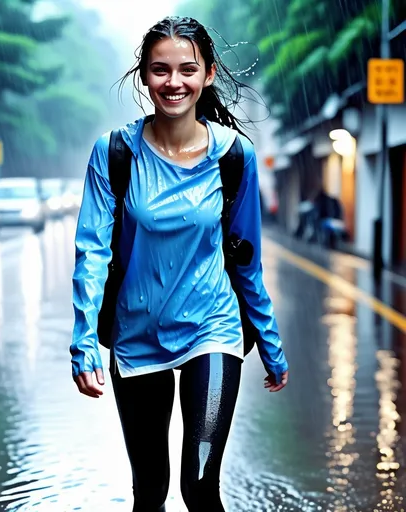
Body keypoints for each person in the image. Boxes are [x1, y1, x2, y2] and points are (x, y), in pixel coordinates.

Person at [70, 16, 289, 512]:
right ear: (143, 76)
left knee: (199, 486)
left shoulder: (236, 157)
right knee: (149, 491)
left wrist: (270, 344)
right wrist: (84, 341)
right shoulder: (115, 153)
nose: (174, 82)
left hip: (211, 330)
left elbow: (246, 260)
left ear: (208, 74)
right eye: (160, 70)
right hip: (136, 334)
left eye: (187, 70)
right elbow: (92, 253)